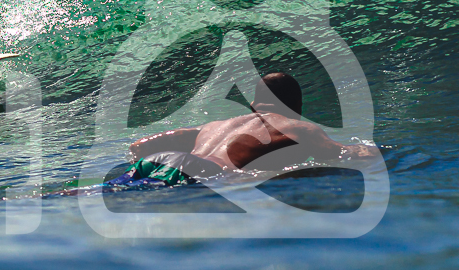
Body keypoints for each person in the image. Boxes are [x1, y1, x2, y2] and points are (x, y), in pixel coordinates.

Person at [115, 72, 377, 187]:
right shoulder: (300, 127)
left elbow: (138, 146)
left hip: (159, 160)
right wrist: (378, 151)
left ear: (253, 105)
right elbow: (344, 154)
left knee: (108, 192)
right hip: (202, 171)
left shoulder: (215, 126)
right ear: (297, 107)